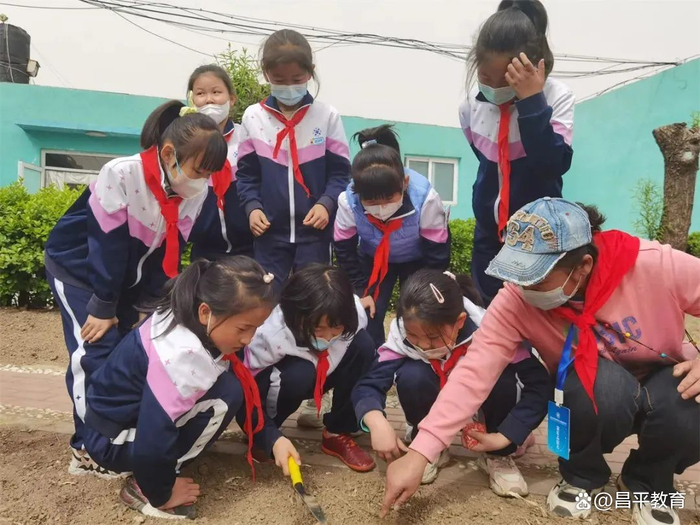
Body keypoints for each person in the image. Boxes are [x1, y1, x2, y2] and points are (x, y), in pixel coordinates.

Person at [381, 198, 700, 525]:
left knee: (688, 407)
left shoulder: (650, 263)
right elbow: (472, 375)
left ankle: (649, 482)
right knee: (593, 385)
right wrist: (420, 453)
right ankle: (581, 476)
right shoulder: (515, 301)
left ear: (583, 266)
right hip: (598, 390)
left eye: (536, 278)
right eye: (517, 274)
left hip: (663, 375)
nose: (524, 287)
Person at [44, 100, 228, 473]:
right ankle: (87, 448)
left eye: (210, 173)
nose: (203, 180)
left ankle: (114, 436)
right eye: (199, 170)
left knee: (127, 353)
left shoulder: (194, 193)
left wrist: (149, 305)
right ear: (169, 153)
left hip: (127, 280)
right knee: (93, 352)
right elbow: (105, 244)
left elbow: (169, 253)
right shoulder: (122, 173)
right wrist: (103, 306)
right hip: (80, 270)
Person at [82, 257, 300, 519]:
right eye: (244, 328)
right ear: (206, 312)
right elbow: (154, 435)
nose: (249, 339)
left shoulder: (188, 316)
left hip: (113, 424)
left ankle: (153, 471)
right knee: (223, 399)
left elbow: (242, 385)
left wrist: (273, 439)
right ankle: (144, 487)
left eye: (256, 329)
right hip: (111, 440)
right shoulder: (180, 355)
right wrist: (161, 492)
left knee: (230, 388)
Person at [352, 269, 549, 490]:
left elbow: (540, 385)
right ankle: (427, 446)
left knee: (502, 378)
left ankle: (497, 455)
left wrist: (507, 435)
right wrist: (377, 423)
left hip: (484, 410)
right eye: (413, 335)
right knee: (413, 375)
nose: (423, 345)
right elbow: (369, 384)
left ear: (460, 321)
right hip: (433, 407)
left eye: (433, 337)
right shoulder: (400, 340)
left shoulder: (493, 333)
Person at [460, 0, 575, 305]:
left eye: (506, 80)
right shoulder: (470, 105)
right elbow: (486, 160)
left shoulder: (556, 97)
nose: (494, 86)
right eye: (486, 77)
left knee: (536, 312)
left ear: (530, 68)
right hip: (489, 234)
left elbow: (551, 164)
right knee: (489, 309)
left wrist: (531, 102)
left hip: (539, 238)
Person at [236, 29, 351, 290]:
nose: (289, 87)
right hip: (268, 233)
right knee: (266, 298)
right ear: (266, 74)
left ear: (310, 72)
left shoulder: (327, 116)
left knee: (311, 300)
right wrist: (252, 207)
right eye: (279, 79)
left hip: (315, 234)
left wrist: (326, 203)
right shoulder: (253, 117)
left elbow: (341, 173)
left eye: (297, 79)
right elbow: (246, 175)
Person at [243, 264, 377, 472]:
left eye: (336, 328)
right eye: (318, 328)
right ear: (296, 316)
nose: (328, 337)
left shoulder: (353, 315)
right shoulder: (270, 335)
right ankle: (267, 433)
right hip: (291, 380)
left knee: (364, 345)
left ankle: (337, 431)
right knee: (300, 375)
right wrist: (266, 434)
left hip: (325, 372)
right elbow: (248, 388)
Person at [334, 125, 450, 348]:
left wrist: (425, 286)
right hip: (373, 259)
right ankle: (372, 359)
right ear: (357, 191)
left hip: (417, 261)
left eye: (388, 198)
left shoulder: (425, 198)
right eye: (371, 201)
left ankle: (411, 356)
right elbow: (344, 249)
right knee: (367, 312)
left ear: (404, 183)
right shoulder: (348, 201)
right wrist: (360, 290)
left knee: (416, 313)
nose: (381, 207)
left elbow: (437, 252)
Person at [187, 64, 256, 261]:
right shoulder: (186, 145)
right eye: (200, 93)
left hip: (250, 249)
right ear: (192, 100)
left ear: (231, 99)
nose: (209, 99)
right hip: (204, 251)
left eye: (216, 92)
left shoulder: (247, 138)